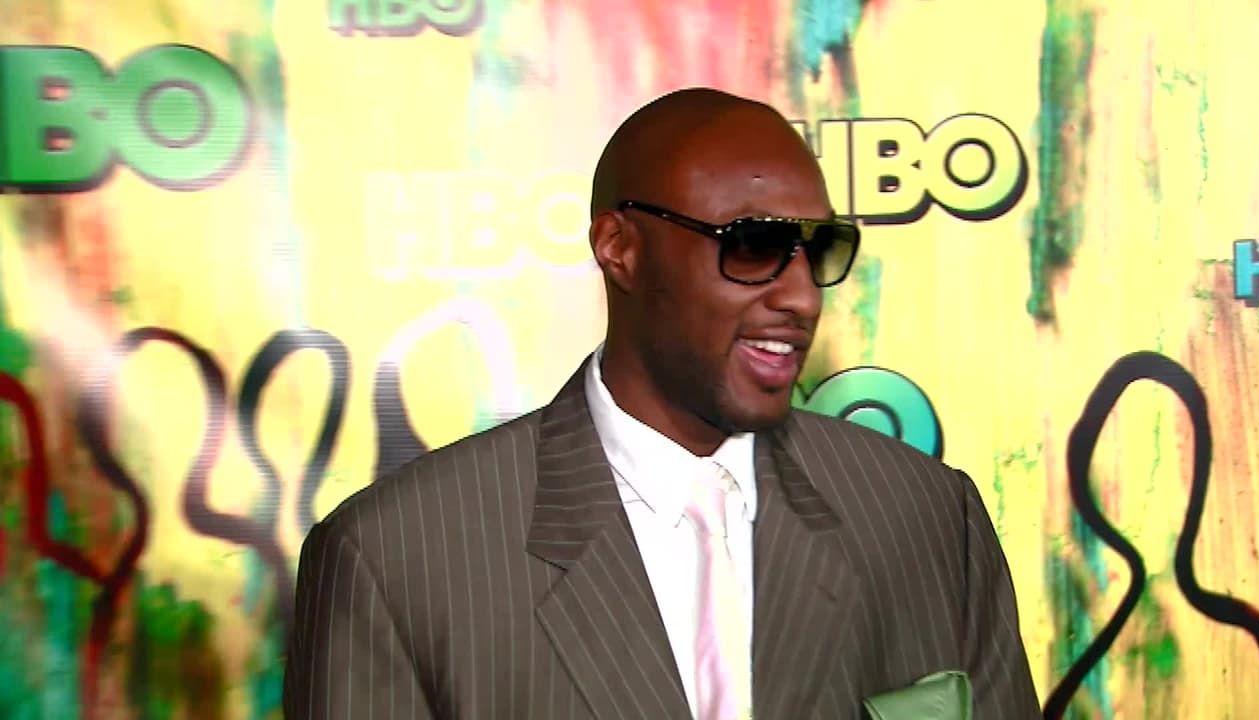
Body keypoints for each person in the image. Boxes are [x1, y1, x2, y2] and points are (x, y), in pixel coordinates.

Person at [283, 87, 1040, 719]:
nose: (803, 296)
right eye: (754, 246)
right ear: (620, 248)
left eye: (818, 251)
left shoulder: (928, 517)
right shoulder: (395, 558)